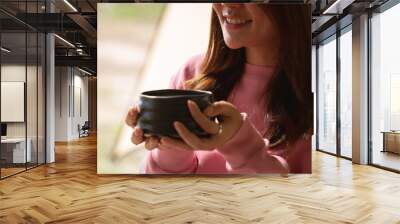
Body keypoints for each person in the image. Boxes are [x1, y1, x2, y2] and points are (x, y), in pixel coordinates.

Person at [125, 3, 313, 174]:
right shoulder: (192, 74)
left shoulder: (319, 91)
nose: (228, 4)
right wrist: (170, 146)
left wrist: (239, 142)